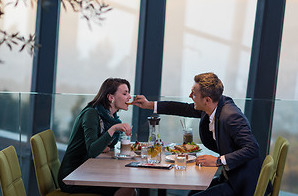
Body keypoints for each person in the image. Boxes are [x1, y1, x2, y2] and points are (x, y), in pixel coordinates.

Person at [132, 72, 268, 196]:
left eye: (193, 94)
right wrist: (150, 105)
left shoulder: (231, 116)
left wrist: (217, 161)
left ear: (207, 100)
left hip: (242, 184)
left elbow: (252, 148)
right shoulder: (213, 106)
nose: (190, 97)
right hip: (231, 177)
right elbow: (182, 108)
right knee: (193, 192)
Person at [58, 78, 136, 196]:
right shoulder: (91, 114)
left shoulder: (110, 117)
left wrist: (103, 143)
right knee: (128, 188)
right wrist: (113, 129)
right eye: (125, 93)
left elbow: (105, 146)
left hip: (88, 171)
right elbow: (92, 151)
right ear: (111, 97)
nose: (129, 97)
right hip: (73, 175)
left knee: (131, 188)